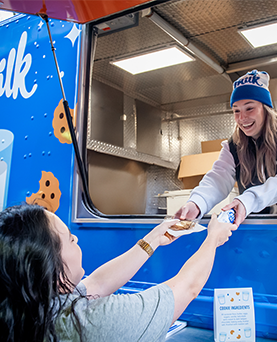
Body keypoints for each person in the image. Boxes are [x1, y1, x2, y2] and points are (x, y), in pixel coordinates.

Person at [0, 203, 237, 342]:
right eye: (70, 239)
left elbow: (97, 284)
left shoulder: (35, 307)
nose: (76, 238)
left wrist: (153, 239)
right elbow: (187, 287)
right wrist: (213, 238)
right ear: (48, 265)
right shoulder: (87, 323)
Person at [175, 69, 277, 226]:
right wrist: (197, 203)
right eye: (236, 110)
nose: (242, 118)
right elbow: (218, 179)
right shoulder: (234, 146)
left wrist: (248, 200)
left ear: (266, 108)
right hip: (255, 227)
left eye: (249, 108)